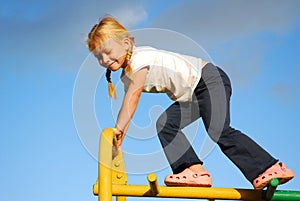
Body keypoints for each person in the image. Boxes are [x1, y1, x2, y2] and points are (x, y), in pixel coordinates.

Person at [86, 16, 294, 189]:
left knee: (218, 130)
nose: (104, 60)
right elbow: (129, 105)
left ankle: (270, 167)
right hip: (193, 95)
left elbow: (133, 97)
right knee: (166, 124)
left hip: (209, 80)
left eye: (107, 52)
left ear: (126, 43)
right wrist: (121, 137)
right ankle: (193, 171)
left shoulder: (140, 58)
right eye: (98, 57)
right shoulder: (127, 74)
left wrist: (119, 129)